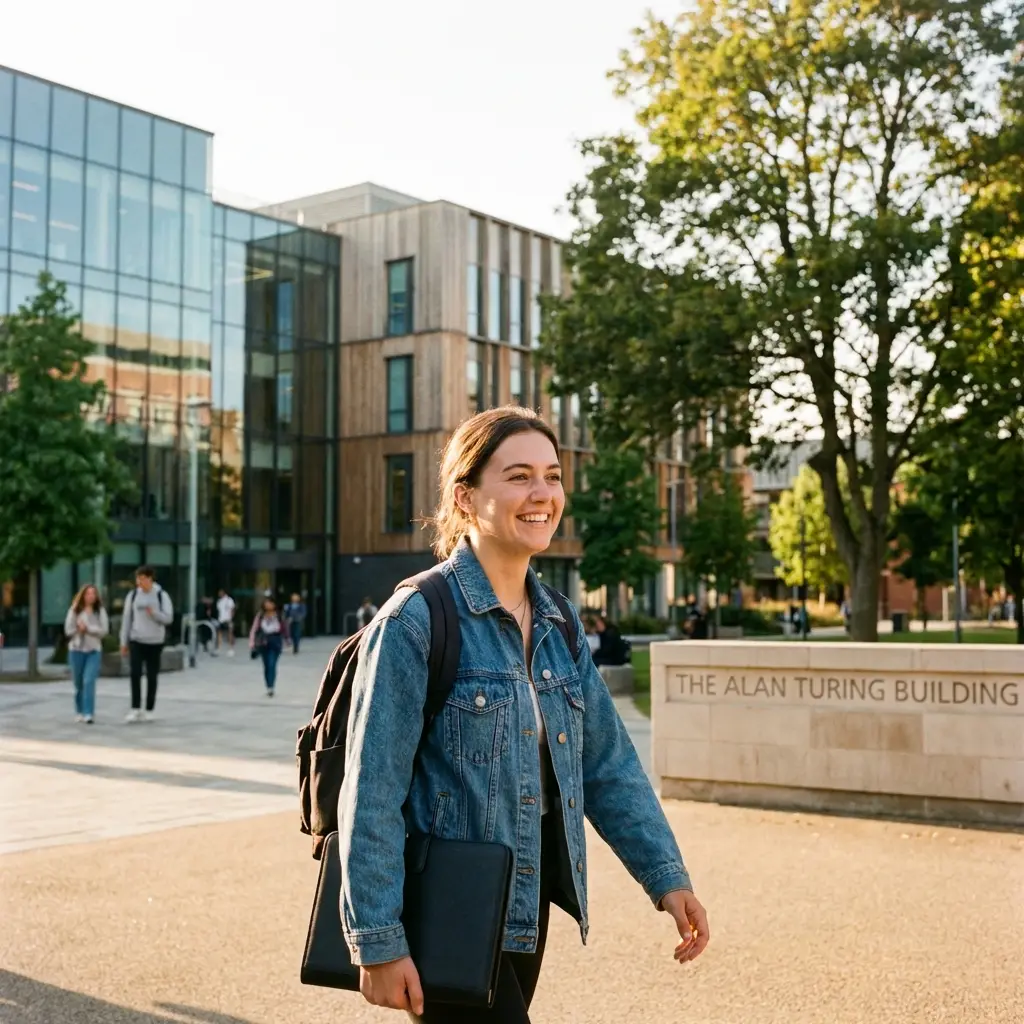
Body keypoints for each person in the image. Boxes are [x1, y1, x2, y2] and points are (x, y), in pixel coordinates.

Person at [339, 407, 709, 1023]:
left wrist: (667, 877)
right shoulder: (415, 621)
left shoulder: (560, 622)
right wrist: (376, 939)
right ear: (465, 496)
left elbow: (608, 766)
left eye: (552, 475)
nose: (542, 494)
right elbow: (371, 792)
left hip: (524, 902)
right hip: (444, 903)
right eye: (517, 477)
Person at [119, 566, 174, 723]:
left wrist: (154, 614)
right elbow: (127, 619)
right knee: (135, 673)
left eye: (142, 578)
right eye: (138, 579)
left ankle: (149, 709)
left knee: (152, 675)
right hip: (137, 639)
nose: (139, 582)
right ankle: (135, 708)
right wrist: (123, 641)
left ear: (150, 579)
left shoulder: (161, 595)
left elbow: (168, 618)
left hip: (155, 641)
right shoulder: (133, 595)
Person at [64, 583, 109, 724]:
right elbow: (68, 630)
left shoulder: (99, 611)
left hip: (93, 650)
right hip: (76, 650)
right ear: (83, 595)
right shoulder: (74, 610)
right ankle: (79, 711)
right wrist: (79, 629)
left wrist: (89, 629)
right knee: (78, 683)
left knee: (88, 681)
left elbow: (104, 630)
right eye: (88, 593)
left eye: (93, 594)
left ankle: (89, 712)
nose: (91, 596)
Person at [249, 596, 289, 697]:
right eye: (267, 603)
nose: (268, 605)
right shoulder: (261, 615)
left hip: (275, 642)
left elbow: (284, 628)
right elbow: (254, 629)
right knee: (266, 665)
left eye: (270, 603)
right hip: (263, 642)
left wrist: (288, 640)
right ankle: (268, 685)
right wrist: (252, 642)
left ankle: (271, 686)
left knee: (272, 664)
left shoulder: (279, 615)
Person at [216, 588, 237, 656]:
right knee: (219, 633)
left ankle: (231, 649)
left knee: (230, 634)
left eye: (221, 592)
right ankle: (219, 647)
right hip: (221, 619)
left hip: (228, 619)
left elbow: (232, 609)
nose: (219, 594)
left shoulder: (229, 600)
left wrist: (231, 618)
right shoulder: (219, 601)